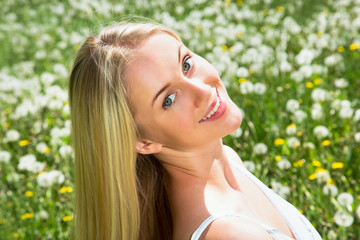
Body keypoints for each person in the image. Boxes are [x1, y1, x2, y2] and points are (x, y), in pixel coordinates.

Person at [68, 21, 322, 240]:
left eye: (186, 64)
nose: (203, 91)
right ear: (143, 142)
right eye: (168, 99)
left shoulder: (230, 162)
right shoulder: (229, 233)